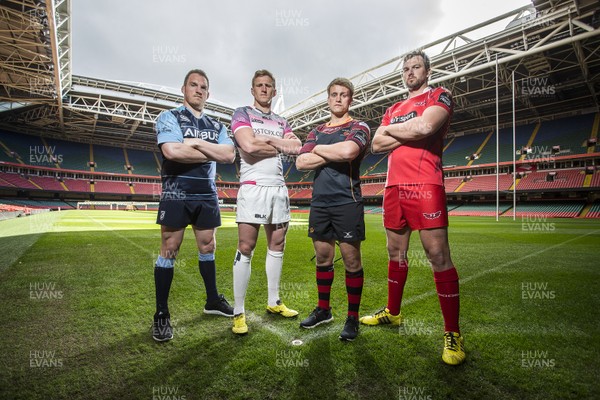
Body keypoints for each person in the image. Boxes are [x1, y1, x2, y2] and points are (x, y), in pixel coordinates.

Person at [360, 50, 465, 365]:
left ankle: (453, 334)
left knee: (438, 256)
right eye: (405, 68)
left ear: (427, 71)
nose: (409, 72)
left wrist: (396, 131)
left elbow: (424, 129)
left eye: (415, 67)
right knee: (395, 254)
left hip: (425, 185)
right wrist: (405, 130)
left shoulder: (439, 95)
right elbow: (376, 144)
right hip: (393, 187)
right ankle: (393, 312)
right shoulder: (393, 108)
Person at [152, 69, 236, 342]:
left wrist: (195, 143)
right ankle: (162, 314)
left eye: (203, 87)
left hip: (206, 193)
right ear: (184, 89)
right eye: (193, 85)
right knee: (170, 248)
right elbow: (172, 151)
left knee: (208, 246)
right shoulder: (169, 117)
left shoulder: (218, 126)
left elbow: (228, 154)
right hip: (177, 190)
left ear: (208, 93)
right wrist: (209, 149)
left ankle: (212, 300)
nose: (198, 90)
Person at [296, 77, 370, 341]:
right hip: (320, 203)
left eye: (344, 95)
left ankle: (352, 317)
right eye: (334, 94)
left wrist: (318, 150)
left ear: (350, 99)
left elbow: (349, 151)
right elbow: (302, 163)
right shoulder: (316, 130)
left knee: (351, 260)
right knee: (323, 258)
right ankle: (324, 310)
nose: (338, 99)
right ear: (328, 99)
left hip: (347, 201)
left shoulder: (358, 126)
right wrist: (329, 150)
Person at [229, 70, 302, 335]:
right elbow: (248, 145)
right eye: (259, 85)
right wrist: (280, 143)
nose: (263, 89)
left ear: (274, 91)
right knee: (246, 246)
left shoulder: (282, 120)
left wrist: (269, 141)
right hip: (253, 187)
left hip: (278, 188)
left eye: (268, 86)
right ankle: (238, 311)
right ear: (253, 90)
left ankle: (274, 301)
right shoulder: (242, 113)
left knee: (278, 244)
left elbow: (298, 147)